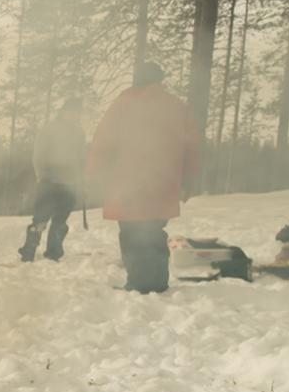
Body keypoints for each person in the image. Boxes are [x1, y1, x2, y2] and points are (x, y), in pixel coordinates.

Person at [88, 62, 199, 294]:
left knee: (131, 232)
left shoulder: (123, 104)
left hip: (126, 183)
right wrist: (188, 181)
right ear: (159, 80)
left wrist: (95, 176)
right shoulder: (176, 106)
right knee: (154, 231)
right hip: (163, 183)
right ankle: (157, 281)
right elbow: (191, 147)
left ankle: (138, 282)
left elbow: (103, 143)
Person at [19, 98, 85, 262]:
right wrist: (42, 175)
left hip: (69, 182)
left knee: (60, 220)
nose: (74, 115)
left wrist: (81, 179)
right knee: (41, 218)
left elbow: (81, 158)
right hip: (49, 180)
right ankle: (29, 251)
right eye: (71, 112)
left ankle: (54, 253)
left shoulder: (79, 133)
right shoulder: (49, 130)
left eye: (77, 112)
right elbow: (38, 155)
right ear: (63, 112)